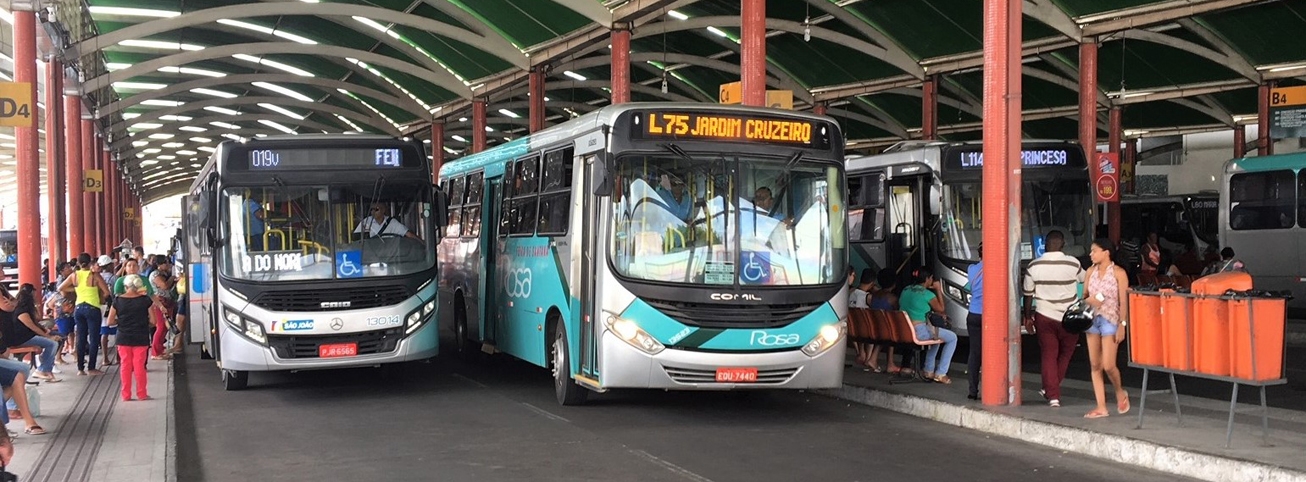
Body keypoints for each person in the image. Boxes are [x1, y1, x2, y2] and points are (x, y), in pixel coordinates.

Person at [1022, 230, 1086, 408]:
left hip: (1044, 316)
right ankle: (1051, 389)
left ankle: (1052, 396)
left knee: (1049, 355)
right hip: (1070, 317)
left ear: (1045, 245)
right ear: (1063, 244)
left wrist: (1028, 318)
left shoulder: (1034, 266)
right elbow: (1085, 280)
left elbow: (1028, 294)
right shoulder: (1073, 263)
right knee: (1065, 354)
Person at [1083, 239, 1130, 419]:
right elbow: (1084, 296)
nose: (1091, 254)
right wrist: (1090, 301)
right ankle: (1101, 406)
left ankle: (1119, 390)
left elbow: (1123, 301)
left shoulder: (1118, 273)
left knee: (1109, 364)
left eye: (1094, 251)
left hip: (1111, 318)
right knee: (1095, 364)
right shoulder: (1090, 272)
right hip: (1092, 319)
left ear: (1106, 252)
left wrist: (1122, 324)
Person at [898, 268, 958, 384]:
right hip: (919, 331)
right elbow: (941, 309)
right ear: (927, 279)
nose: (932, 280)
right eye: (931, 278)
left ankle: (929, 370)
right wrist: (938, 290)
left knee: (936, 337)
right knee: (952, 337)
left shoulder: (905, 290)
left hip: (904, 330)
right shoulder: (927, 294)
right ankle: (941, 373)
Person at [58, 253, 111, 376]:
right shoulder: (94, 276)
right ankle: (91, 368)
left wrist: (76, 289)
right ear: (91, 262)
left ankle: (80, 368)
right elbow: (106, 292)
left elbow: (61, 287)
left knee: (80, 338)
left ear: (78, 263)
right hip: (93, 308)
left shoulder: (74, 276)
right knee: (93, 338)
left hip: (79, 308)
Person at [106, 275, 156, 401]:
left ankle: (126, 395)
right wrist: (143, 323)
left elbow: (110, 322)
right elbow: (154, 321)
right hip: (141, 336)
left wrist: (122, 321)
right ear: (138, 286)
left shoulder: (117, 301)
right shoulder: (145, 300)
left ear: (126, 286)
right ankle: (142, 394)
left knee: (125, 365)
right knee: (139, 365)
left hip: (123, 336)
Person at [5, 284, 63, 382]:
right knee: (52, 343)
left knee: (59, 338)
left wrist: (36, 307)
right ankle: (43, 369)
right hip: (21, 339)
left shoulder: (27, 309)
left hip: (27, 337)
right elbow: (33, 327)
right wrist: (48, 336)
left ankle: (46, 366)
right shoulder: (21, 311)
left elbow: (37, 320)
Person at [869, 269, 906, 374]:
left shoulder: (874, 296)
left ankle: (874, 359)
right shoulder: (892, 298)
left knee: (886, 331)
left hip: (875, 327)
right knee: (891, 332)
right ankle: (889, 363)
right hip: (886, 330)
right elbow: (899, 311)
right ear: (894, 283)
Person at [848, 269, 880, 372]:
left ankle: (861, 352)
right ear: (872, 283)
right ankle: (869, 357)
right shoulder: (868, 297)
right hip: (866, 330)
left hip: (853, 327)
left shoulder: (851, 293)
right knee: (874, 325)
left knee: (860, 325)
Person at [150, 256, 179, 360]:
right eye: (165, 263)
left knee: (165, 328)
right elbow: (164, 286)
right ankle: (155, 352)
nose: (168, 265)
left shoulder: (163, 274)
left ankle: (160, 350)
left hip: (167, 301)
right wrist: (172, 278)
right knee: (161, 327)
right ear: (159, 264)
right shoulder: (155, 274)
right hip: (160, 303)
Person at [966, 246, 984, 400]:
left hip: (973, 314)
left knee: (975, 353)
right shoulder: (996, 269)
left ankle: (973, 391)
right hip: (990, 317)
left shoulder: (971, 269)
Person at [98, 255, 120, 367]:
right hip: (112, 306)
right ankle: (117, 357)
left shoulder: (97, 277)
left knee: (104, 332)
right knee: (117, 332)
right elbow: (117, 293)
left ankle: (105, 358)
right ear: (110, 266)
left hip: (101, 306)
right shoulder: (114, 278)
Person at [354, 203, 420, 239]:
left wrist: (423, 244)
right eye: (372, 209)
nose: (373, 212)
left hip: (390, 256)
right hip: (372, 256)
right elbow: (356, 239)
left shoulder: (392, 222)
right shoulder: (366, 222)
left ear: (383, 210)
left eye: (376, 209)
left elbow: (408, 234)